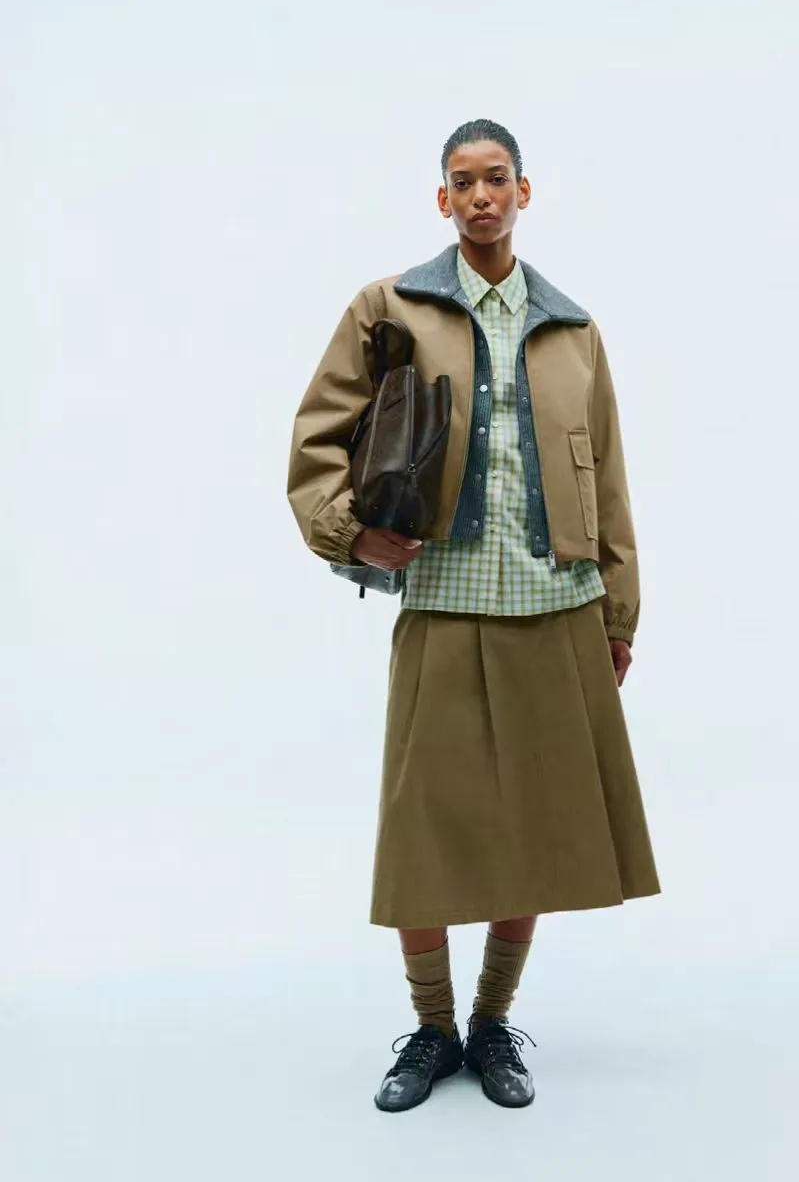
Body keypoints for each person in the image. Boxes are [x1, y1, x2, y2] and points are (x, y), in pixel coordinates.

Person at [286, 118, 661, 1113]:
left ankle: (492, 1023)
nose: (482, 195)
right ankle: (433, 1028)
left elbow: (609, 477)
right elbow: (318, 437)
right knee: (424, 830)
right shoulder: (390, 308)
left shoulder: (574, 329)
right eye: (463, 181)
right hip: (445, 602)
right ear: (442, 198)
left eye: (498, 178)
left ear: (524, 193)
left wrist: (619, 614)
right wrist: (350, 532)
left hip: (556, 604)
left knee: (530, 830)